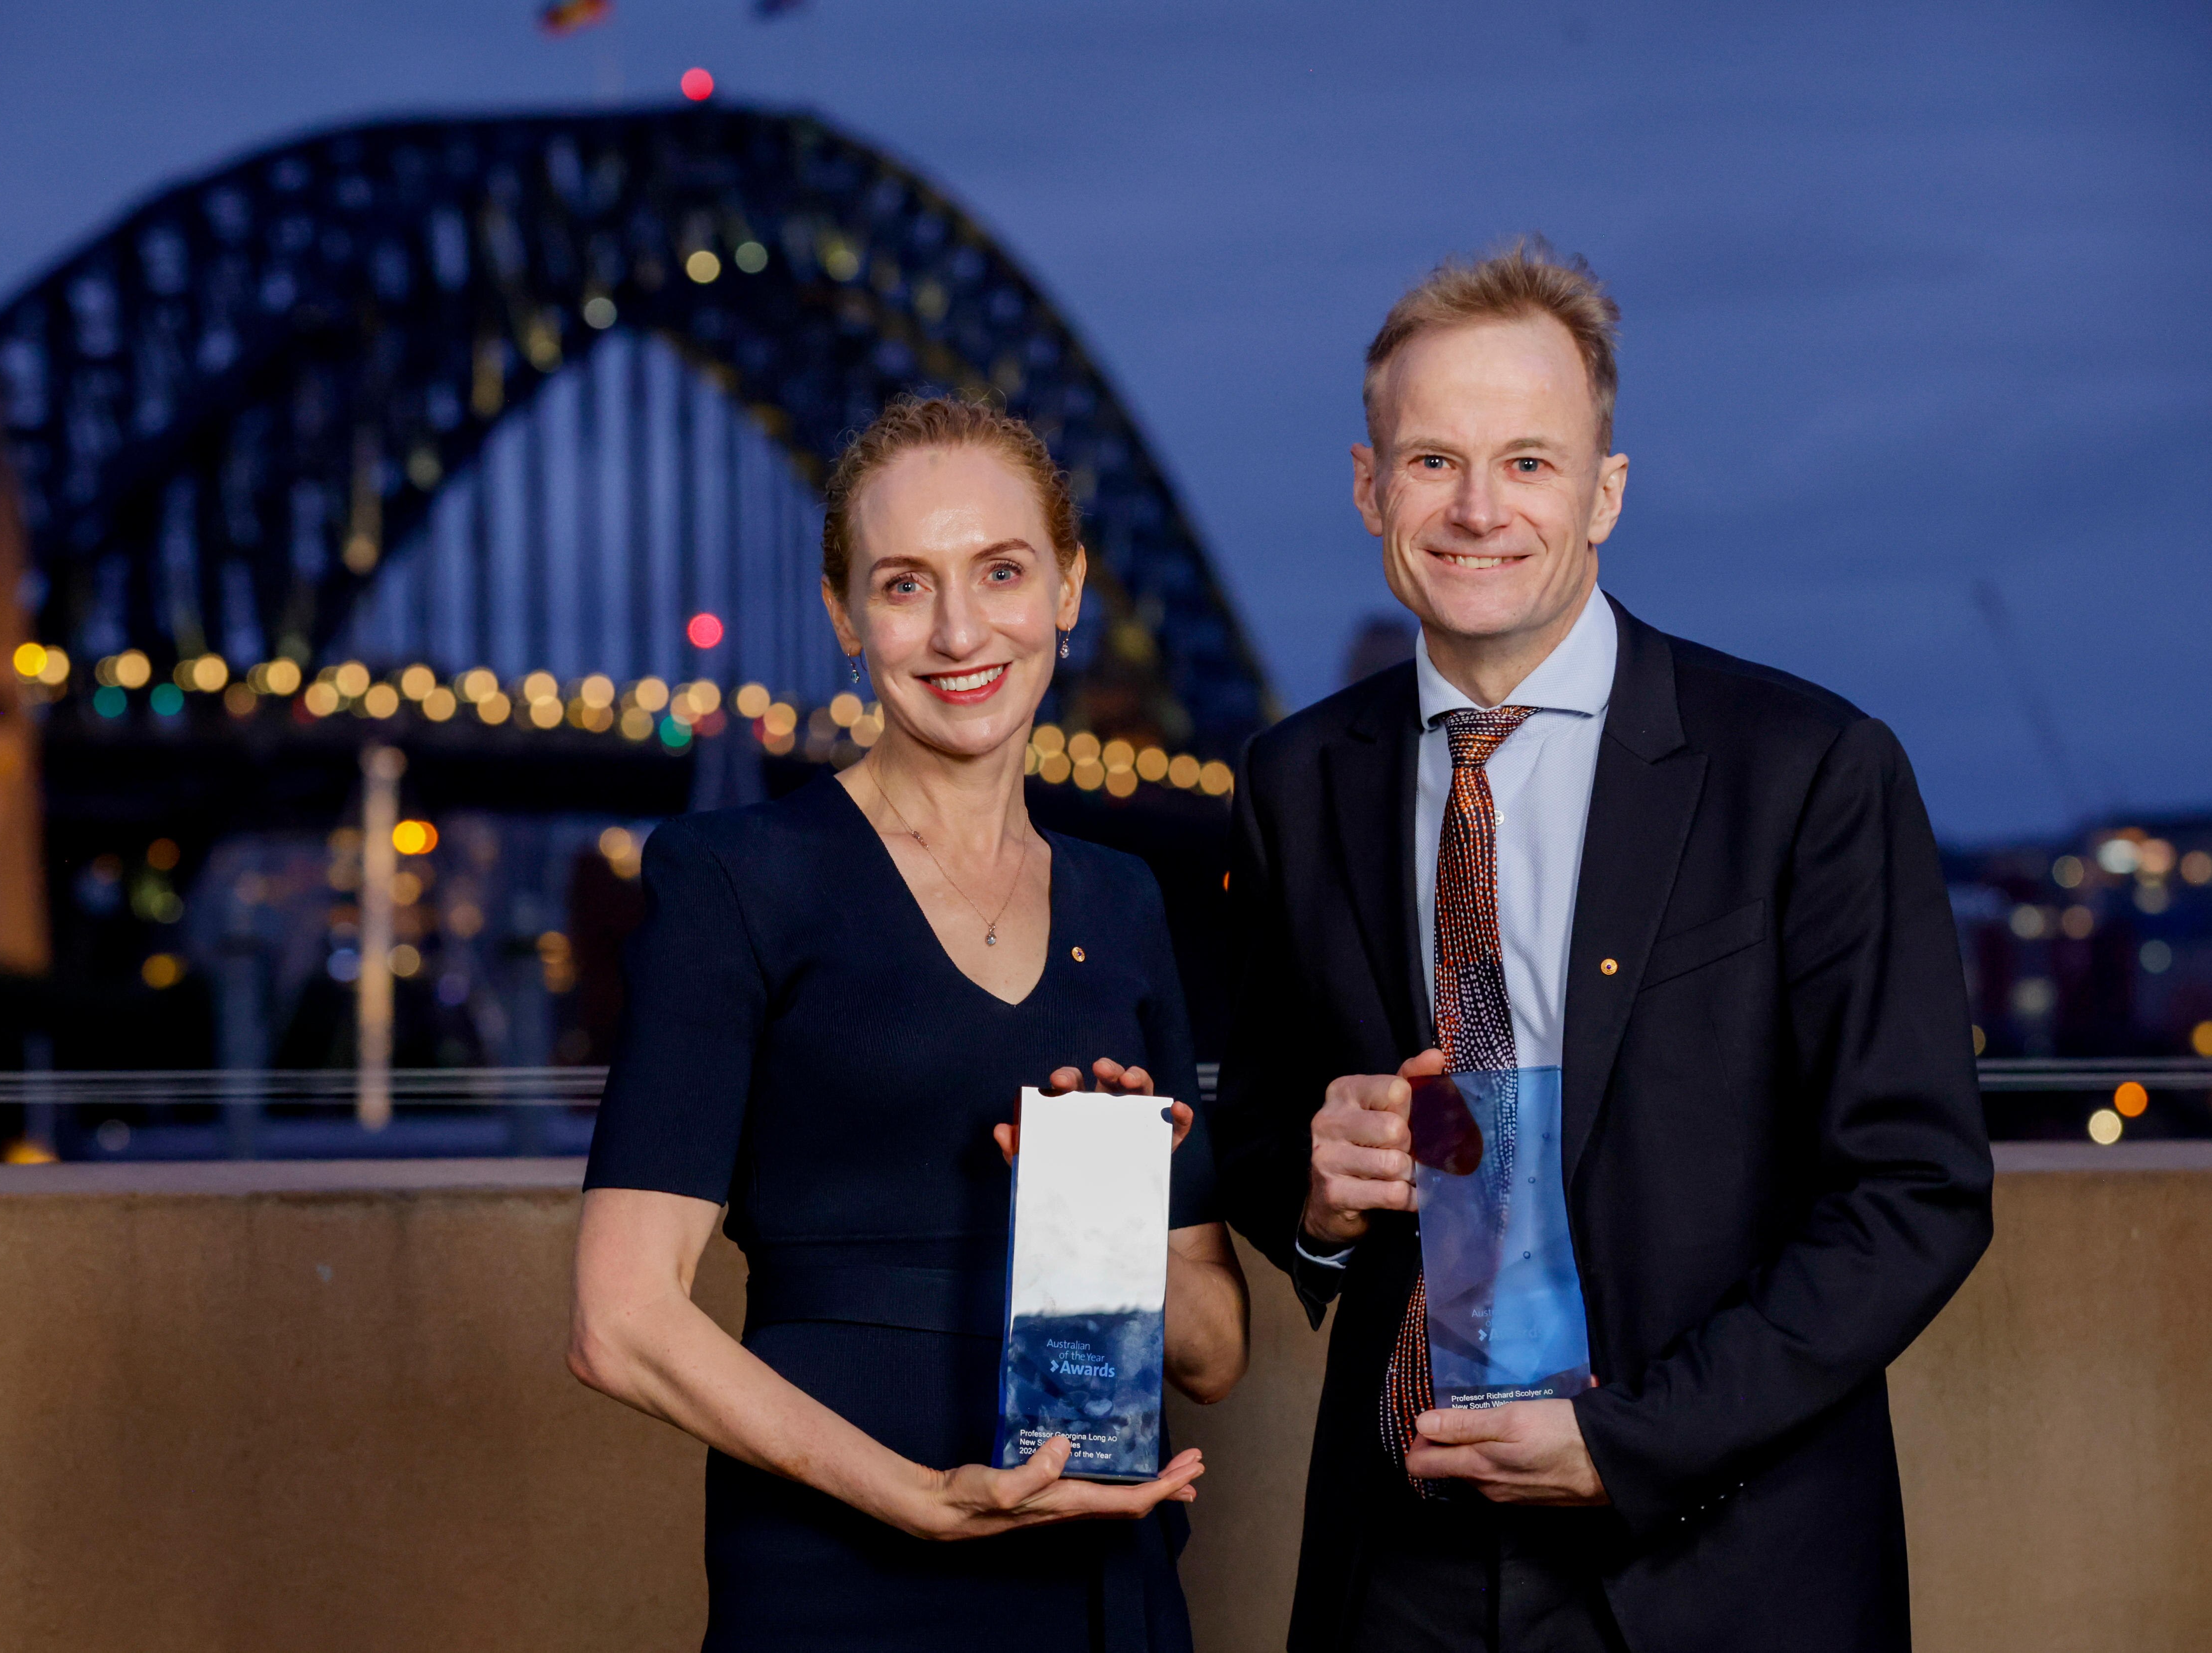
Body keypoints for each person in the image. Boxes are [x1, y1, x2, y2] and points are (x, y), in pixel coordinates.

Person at [1210, 239, 1993, 1652]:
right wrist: (1317, 1203)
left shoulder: (1807, 769)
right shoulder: (1294, 778)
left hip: (1723, 1564)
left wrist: (1625, 1441)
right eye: (1433, 460)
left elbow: (1915, 1189)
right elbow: (1266, 1142)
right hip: (1405, 1565)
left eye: (1528, 461)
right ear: (1368, 485)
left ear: (1605, 493)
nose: (1476, 508)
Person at [571, 393, 1251, 1653]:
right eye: (902, 584)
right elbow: (620, 1320)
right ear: (843, 615)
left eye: (1001, 570)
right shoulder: (735, 876)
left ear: (1068, 587)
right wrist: (918, 1499)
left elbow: (1210, 1354)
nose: (956, 629)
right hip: (842, 1572)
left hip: (1102, 1567)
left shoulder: (1124, 894)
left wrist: (1107, 1202)